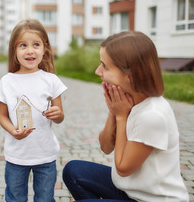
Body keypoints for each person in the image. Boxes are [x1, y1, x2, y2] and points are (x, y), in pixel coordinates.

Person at [62, 31, 189, 202]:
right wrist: (114, 111)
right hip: (130, 192)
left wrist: (121, 117)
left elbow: (123, 168)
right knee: (73, 170)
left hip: (153, 200)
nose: (97, 71)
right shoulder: (130, 101)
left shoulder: (152, 115)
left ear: (130, 75)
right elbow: (106, 146)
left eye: (105, 66)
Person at [0, 19, 67, 202]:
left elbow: (60, 116)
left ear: (45, 48)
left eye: (36, 45)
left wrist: (57, 114)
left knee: (45, 199)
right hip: (17, 155)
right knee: (15, 198)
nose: (30, 50)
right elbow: (2, 116)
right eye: (23, 45)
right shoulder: (7, 81)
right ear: (14, 50)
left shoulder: (51, 80)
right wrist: (13, 130)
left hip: (45, 154)